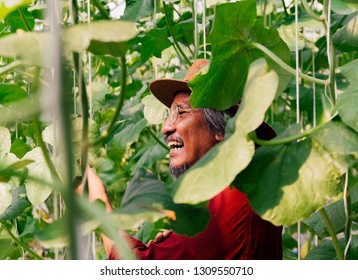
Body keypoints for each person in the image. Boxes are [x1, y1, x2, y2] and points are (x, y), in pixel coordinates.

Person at [81, 59, 283, 260]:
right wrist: (177, 245)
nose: (165, 127)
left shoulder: (232, 196)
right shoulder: (241, 190)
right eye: (170, 114)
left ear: (225, 128)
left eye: (181, 113)